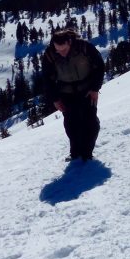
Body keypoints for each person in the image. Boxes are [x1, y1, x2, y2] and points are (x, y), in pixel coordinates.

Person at [41, 27, 105, 161]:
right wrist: (55, 99)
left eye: (63, 49)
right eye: (58, 50)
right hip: (66, 93)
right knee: (71, 125)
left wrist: (95, 89)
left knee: (91, 122)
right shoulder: (50, 54)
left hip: (87, 90)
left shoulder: (84, 47)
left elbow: (99, 66)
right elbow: (47, 79)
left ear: (69, 42)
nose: (61, 53)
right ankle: (75, 153)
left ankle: (87, 153)